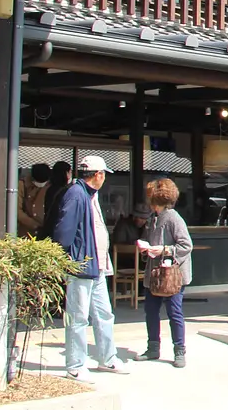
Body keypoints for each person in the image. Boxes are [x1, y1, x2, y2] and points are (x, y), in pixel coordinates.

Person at [52, 155, 125, 381]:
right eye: (104, 174)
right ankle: (75, 365)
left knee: (104, 314)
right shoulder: (76, 194)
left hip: (97, 266)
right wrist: (68, 259)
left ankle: (107, 358)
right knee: (78, 316)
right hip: (82, 265)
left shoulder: (88, 194)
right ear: (98, 174)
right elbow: (64, 230)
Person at [135, 179, 193, 368]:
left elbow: (186, 245)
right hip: (155, 273)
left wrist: (163, 250)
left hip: (172, 275)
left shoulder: (173, 218)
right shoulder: (153, 218)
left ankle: (179, 350)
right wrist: (147, 249)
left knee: (174, 311)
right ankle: (153, 347)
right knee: (150, 310)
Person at [38, 160, 72, 239]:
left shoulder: (49, 189)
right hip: (58, 229)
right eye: (70, 172)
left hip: (48, 227)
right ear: (66, 173)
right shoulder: (66, 191)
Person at [17, 163, 51, 237]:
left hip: (45, 230)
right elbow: (17, 211)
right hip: (26, 230)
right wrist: (35, 225)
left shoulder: (50, 185)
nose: (41, 185)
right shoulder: (22, 185)